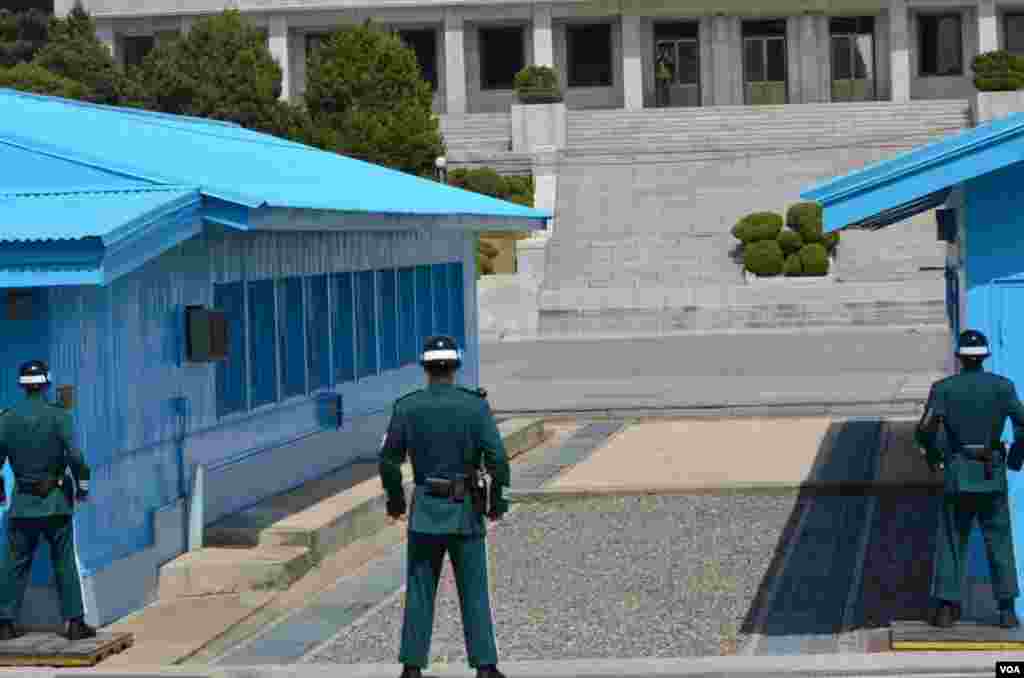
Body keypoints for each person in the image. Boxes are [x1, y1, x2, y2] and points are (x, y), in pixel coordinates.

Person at [379, 336, 510, 678]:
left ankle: (411, 667)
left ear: (425, 367)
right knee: (474, 590)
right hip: (465, 509)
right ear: (455, 367)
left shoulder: (407, 407)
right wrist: (497, 502)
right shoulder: (474, 406)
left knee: (420, 589)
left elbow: (389, 461)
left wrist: (395, 502)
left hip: (425, 511)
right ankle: (485, 666)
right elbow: (497, 458)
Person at [915, 329, 1024, 629]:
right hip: (992, 474)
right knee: (999, 541)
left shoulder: (943, 389)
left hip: (958, 474)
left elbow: (924, 430)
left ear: (960, 357)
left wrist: (935, 457)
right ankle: (1006, 610)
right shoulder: (1003, 387)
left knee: (952, 541)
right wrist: (1015, 459)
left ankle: (946, 609)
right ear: (985, 356)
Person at [0, 360, 94, 641]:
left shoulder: (7, 418)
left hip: (22, 504)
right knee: (64, 561)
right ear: (46, 384)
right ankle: (74, 623)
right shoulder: (59, 416)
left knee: (14, 564)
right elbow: (76, 457)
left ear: (22, 385)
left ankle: (5, 624)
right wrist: (83, 487)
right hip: (55, 502)